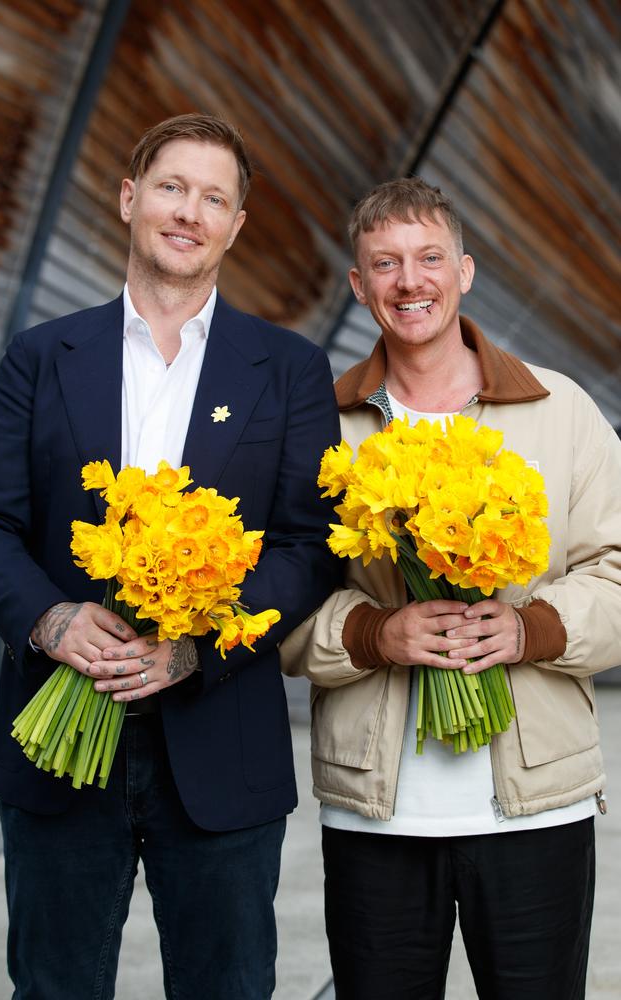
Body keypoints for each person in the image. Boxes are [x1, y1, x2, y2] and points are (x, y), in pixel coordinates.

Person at [0, 113, 340, 1000]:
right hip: (58, 749)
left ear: (236, 225)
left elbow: (307, 548)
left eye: (215, 198)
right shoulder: (40, 357)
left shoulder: (290, 369)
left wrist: (195, 648)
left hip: (221, 745)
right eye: (173, 187)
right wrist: (52, 619)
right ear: (131, 197)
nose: (190, 211)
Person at [281, 176, 621, 1000]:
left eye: (430, 257)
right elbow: (278, 602)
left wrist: (529, 628)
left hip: (536, 808)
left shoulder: (559, 408)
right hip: (375, 813)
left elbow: (615, 570)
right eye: (386, 264)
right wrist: (374, 636)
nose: (411, 281)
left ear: (464, 271)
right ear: (359, 287)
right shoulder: (322, 423)